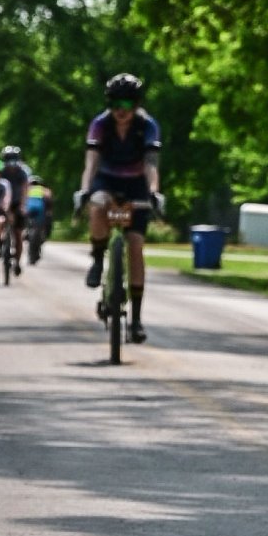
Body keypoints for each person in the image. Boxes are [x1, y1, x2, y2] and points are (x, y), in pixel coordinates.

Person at [78, 74, 163, 343]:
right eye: (115, 103)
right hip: (107, 179)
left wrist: (153, 192)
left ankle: (136, 320)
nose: (121, 110)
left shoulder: (147, 126)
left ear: (136, 104)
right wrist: (85, 189)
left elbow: (151, 163)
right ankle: (97, 258)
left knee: (135, 246)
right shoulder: (100, 124)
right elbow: (91, 161)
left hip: (137, 184)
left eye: (127, 103)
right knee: (98, 204)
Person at [0, 144, 31, 272]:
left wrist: (23, 206)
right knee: (0, 224)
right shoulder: (1, 171)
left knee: (18, 234)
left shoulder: (23, 172)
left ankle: (17, 262)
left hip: (18, 203)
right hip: (2, 203)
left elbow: (25, 190)